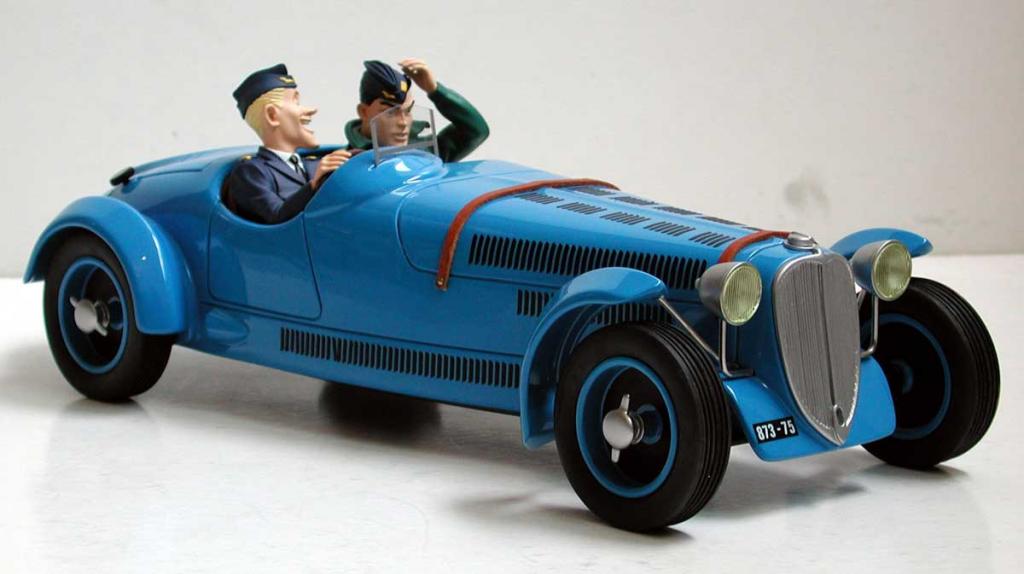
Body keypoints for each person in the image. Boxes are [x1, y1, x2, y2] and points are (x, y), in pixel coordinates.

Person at [228, 64, 351, 224]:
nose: (310, 110)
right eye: (296, 103)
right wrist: (313, 185)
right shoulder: (252, 172)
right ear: (272, 115)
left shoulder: (314, 164)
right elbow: (276, 216)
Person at [344, 59, 489, 162]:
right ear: (364, 112)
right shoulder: (349, 160)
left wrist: (435, 90)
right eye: (390, 113)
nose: (403, 123)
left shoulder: (423, 149)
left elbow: (476, 131)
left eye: (408, 111)